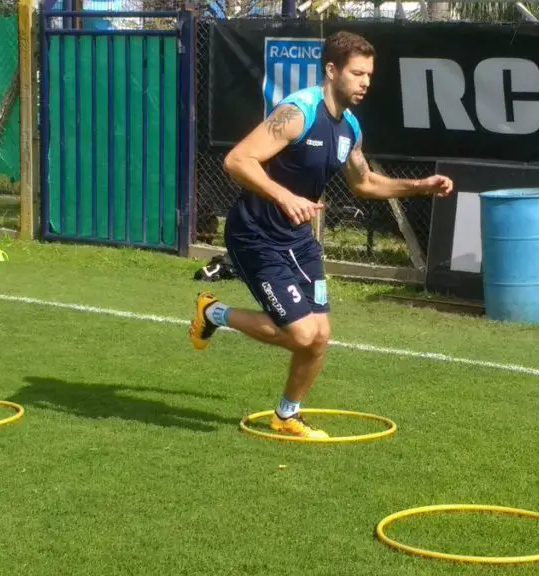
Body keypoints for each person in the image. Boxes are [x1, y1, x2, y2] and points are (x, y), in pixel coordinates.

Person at [188, 31, 454, 439]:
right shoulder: (298, 113)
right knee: (301, 333)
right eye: (357, 73)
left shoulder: (349, 127)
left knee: (320, 336)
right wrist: (283, 195)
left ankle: (286, 416)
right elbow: (237, 159)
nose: (365, 82)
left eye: (369, 75)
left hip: (297, 239)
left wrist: (420, 186)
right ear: (331, 70)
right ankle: (213, 313)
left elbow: (363, 184)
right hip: (255, 235)